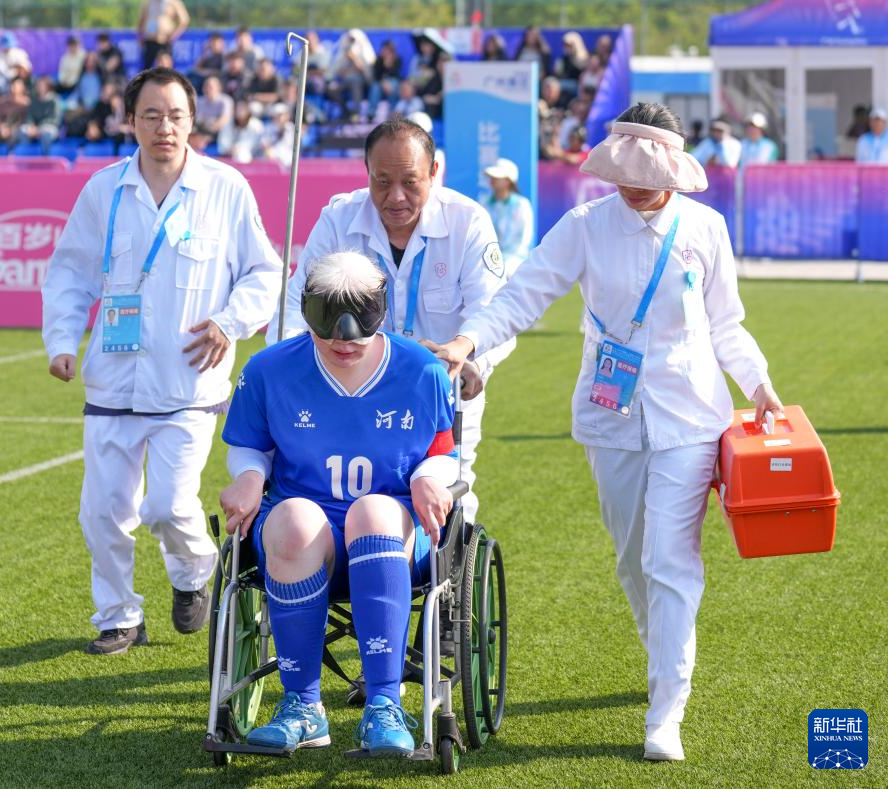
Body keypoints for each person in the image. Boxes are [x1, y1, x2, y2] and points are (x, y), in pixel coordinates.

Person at [430, 103, 785, 763]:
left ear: (674, 170)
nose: (635, 186)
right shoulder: (586, 225)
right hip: (610, 415)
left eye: (647, 175)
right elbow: (524, 293)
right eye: (625, 172)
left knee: (670, 559)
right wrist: (468, 341)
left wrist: (758, 383)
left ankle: (666, 708)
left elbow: (727, 323)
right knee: (632, 559)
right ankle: (664, 651)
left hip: (690, 417)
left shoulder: (705, 227)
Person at [41, 67, 283, 655]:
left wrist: (229, 322)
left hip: (188, 384)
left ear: (193, 120)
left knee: (170, 507)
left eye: (175, 116)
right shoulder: (103, 190)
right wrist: (62, 342)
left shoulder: (225, 188)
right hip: (112, 383)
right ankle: (119, 617)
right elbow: (70, 271)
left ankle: (193, 572)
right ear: (130, 121)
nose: (164, 127)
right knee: (102, 513)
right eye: (151, 115)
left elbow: (265, 272)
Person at [221, 251, 458, 754]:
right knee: (293, 520)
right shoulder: (268, 369)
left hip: (393, 530)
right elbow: (249, 446)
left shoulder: (421, 370)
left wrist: (427, 478)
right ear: (306, 309)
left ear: (380, 310)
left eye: (360, 320)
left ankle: (384, 703)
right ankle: (303, 707)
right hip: (303, 533)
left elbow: (442, 452)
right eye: (327, 319)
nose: (343, 338)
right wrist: (248, 476)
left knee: (372, 510)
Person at [265, 117, 513, 522]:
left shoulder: (468, 221)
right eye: (381, 182)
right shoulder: (339, 218)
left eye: (410, 182)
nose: (396, 197)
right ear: (366, 173)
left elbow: (495, 311)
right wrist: (285, 367)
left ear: (433, 172)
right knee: (345, 495)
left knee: (448, 499)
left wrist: (470, 357)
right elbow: (297, 304)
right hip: (352, 391)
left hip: (441, 394)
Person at [481, 158, 534, 278]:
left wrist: (503, 259)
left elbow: (525, 239)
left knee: (506, 272)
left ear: (508, 181)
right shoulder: (484, 203)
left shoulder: (521, 204)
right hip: (488, 257)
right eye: (491, 177)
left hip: (516, 258)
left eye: (496, 177)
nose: (492, 180)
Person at [137, 0, 189, 72]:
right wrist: (140, 37)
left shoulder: (173, 2)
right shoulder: (148, 3)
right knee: (147, 68)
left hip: (165, 40)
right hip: (149, 40)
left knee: (166, 68)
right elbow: (141, 21)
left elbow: (184, 21)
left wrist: (174, 35)